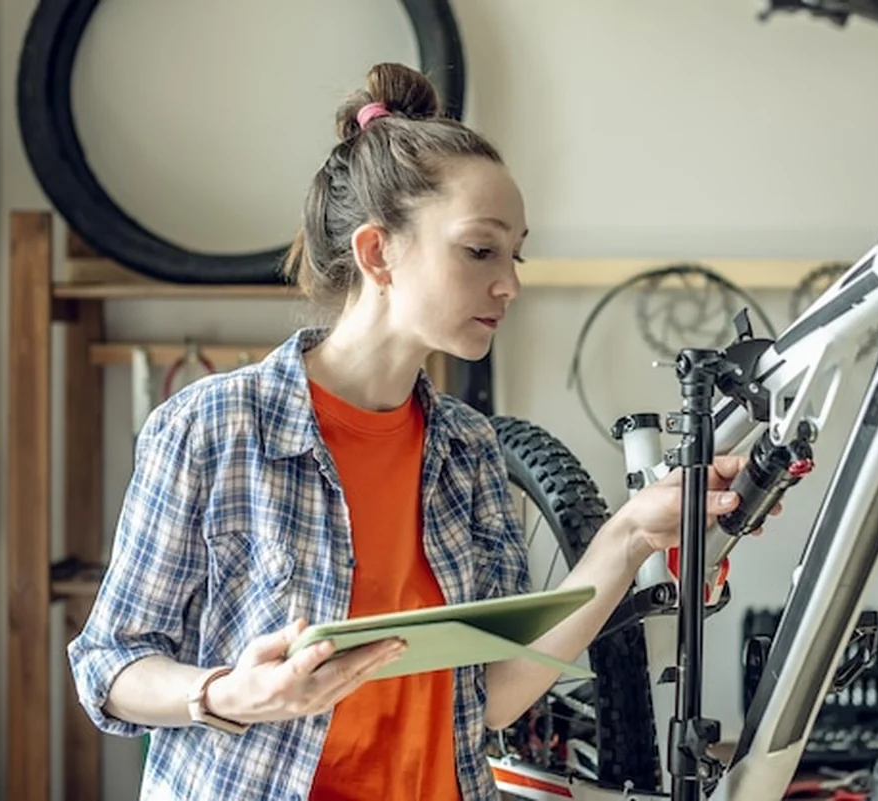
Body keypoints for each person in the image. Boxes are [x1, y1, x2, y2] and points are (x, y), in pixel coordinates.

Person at [68, 62, 770, 801]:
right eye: (480, 250)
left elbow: (491, 692)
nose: (511, 283)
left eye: (516, 254)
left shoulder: (469, 449)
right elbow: (109, 665)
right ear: (378, 253)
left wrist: (630, 533)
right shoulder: (212, 426)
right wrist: (227, 693)